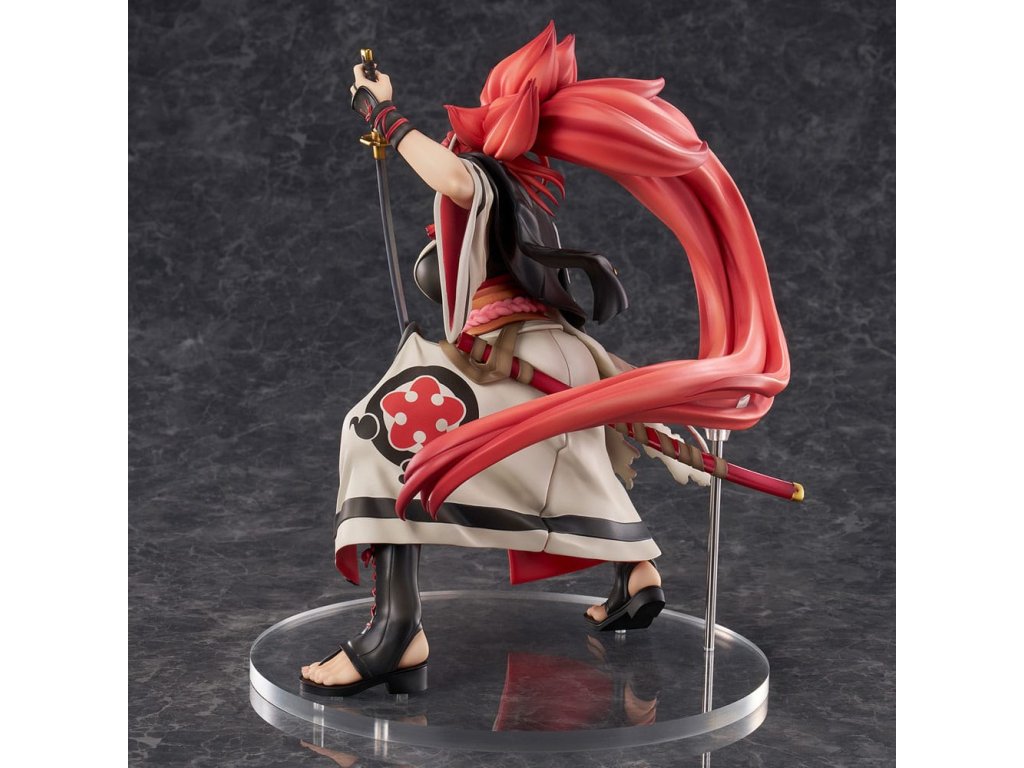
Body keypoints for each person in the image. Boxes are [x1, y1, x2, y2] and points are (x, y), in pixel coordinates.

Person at [300, 22, 790, 697]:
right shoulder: (516, 208)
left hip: (509, 349)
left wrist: (382, 112)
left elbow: (450, 176)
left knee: (376, 436)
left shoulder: (487, 180)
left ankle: (395, 629)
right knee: (571, 458)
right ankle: (636, 575)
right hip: (545, 348)